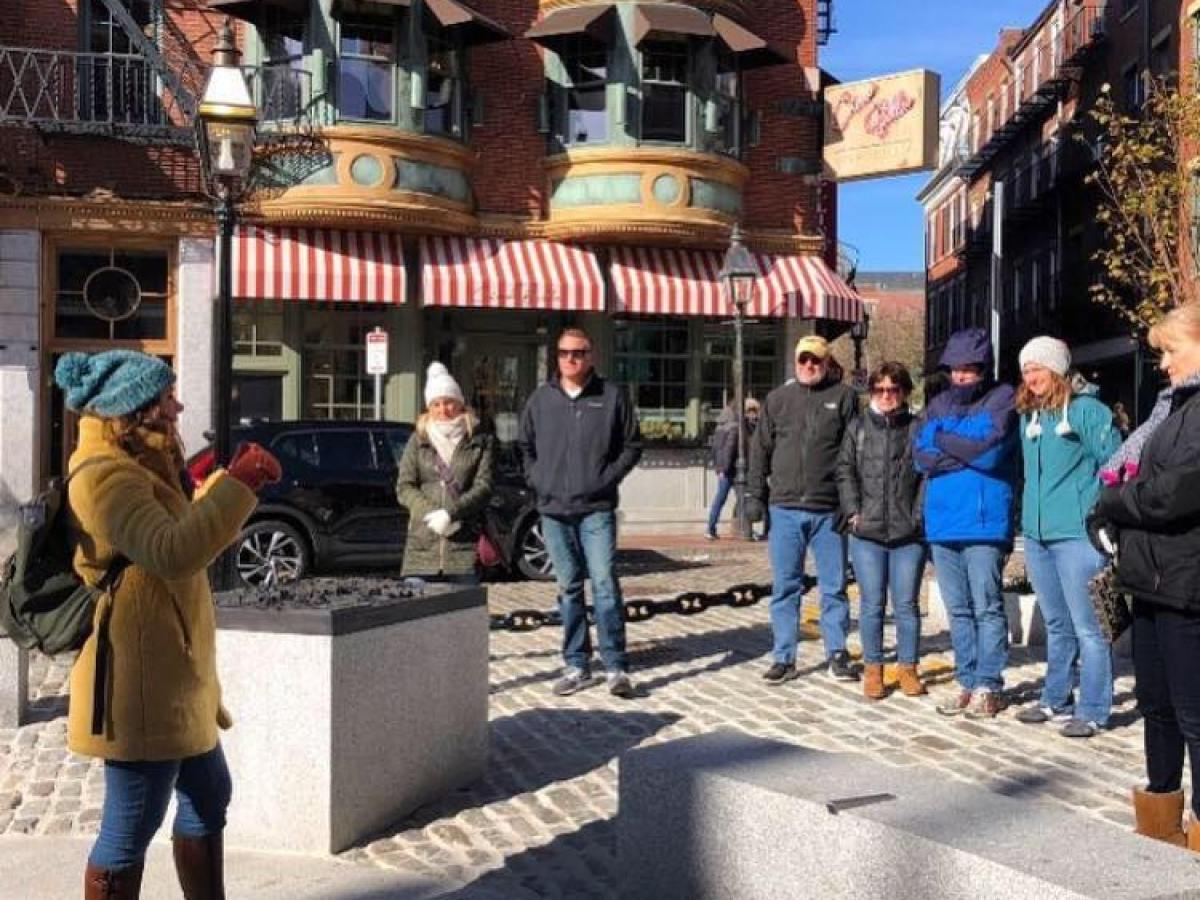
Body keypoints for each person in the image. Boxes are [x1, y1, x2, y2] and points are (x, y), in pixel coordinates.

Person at [53, 350, 280, 899]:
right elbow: (173, 551)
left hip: (175, 670)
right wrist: (239, 487)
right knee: (130, 827)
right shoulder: (104, 476)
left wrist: (218, 485)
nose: (177, 406)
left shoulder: (145, 463)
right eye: (166, 398)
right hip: (141, 680)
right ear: (133, 409)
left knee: (208, 794)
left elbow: (175, 526)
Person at [1092, 302, 1200, 849]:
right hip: (1150, 579)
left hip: (1188, 582)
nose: (1162, 363)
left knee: (1194, 712)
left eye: (1170, 351)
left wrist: (1114, 502)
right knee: (1156, 704)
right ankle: (1161, 820)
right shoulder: (1170, 408)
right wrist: (1106, 512)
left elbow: (1174, 494)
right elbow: (1138, 477)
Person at [518, 327, 643, 699]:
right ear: (556, 357)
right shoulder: (541, 400)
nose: (570, 359)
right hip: (554, 510)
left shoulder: (611, 396)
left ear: (591, 356)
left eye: (578, 353)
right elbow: (524, 446)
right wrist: (539, 479)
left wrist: (606, 479)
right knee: (568, 588)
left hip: (596, 510)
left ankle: (616, 665)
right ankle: (576, 664)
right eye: (564, 353)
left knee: (604, 585)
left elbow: (632, 444)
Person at [1014, 337, 1120, 738]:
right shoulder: (1030, 416)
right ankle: (1055, 698)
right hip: (1038, 534)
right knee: (1057, 623)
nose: (1032, 376)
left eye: (1039, 368)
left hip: (1076, 534)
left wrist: (1100, 514)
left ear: (1057, 369)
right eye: (1026, 369)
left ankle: (1094, 709)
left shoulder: (1088, 411)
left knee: (1089, 627)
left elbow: (1116, 464)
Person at [913, 328, 1018, 720]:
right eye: (955, 369)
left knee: (987, 606)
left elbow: (990, 456)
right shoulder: (937, 404)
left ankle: (989, 685)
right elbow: (921, 456)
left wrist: (943, 437)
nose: (960, 376)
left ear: (983, 369)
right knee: (958, 609)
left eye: (968, 370)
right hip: (942, 523)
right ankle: (967, 679)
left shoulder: (1003, 398)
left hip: (985, 521)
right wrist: (963, 446)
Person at [747, 334, 859, 684]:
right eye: (803, 360)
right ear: (795, 362)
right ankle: (784, 656)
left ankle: (837, 653)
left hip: (829, 509)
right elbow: (759, 450)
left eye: (816, 361)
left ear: (827, 364)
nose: (809, 366)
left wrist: (850, 502)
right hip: (784, 508)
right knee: (785, 586)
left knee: (834, 586)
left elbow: (854, 452)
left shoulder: (844, 398)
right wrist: (753, 496)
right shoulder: (778, 400)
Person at [836, 361, 927, 700]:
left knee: (906, 605)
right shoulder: (858, 427)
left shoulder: (918, 428)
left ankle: (907, 668)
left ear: (904, 392)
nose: (887, 396)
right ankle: (873, 670)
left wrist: (918, 517)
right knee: (872, 604)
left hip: (908, 532)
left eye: (893, 390)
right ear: (872, 392)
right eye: (880, 390)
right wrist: (853, 511)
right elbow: (844, 471)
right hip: (867, 531)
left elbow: (927, 477)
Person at [395, 362, 495, 586]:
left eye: (448, 402)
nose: (443, 410)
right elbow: (405, 486)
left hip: (463, 545)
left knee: (461, 615)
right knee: (416, 614)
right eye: (436, 404)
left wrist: (451, 514)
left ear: (460, 404)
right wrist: (432, 514)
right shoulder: (418, 440)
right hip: (422, 546)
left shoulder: (480, 441)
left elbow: (484, 486)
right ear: (429, 408)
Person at [705, 398, 760, 541]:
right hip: (733, 469)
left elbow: (716, 448)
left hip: (727, 468)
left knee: (724, 499)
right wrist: (725, 468)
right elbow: (729, 448)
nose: (754, 415)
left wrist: (719, 467)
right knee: (741, 499)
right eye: (751, 411)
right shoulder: (737, 427)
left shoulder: (723, 424)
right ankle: (745, 529)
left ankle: (711, 528)